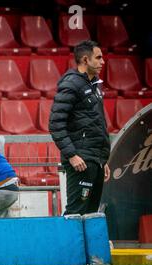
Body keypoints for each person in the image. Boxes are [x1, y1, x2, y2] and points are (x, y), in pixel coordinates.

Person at [49, 40, 111, 216]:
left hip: (95, 160)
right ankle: (67, 245)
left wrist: (102, 159)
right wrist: (72, 155)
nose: (103, 62)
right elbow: (55, 124)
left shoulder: (95, 85)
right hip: (81, 161)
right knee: (75, 212)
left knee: (91, 213)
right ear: (85, 60)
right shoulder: (70, 84)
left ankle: (87, 245)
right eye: (98, 58)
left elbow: (96, 123)